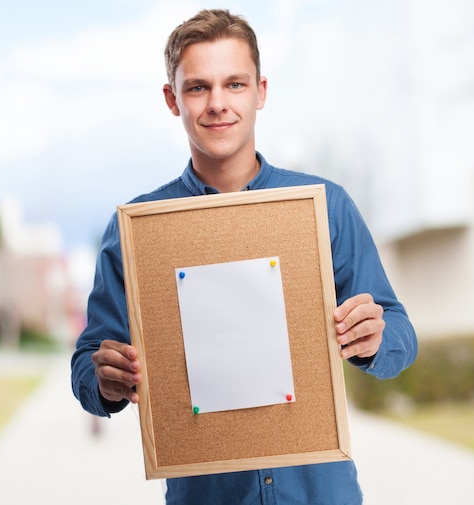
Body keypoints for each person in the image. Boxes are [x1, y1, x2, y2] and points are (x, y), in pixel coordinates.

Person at [71, 8, 417, 505]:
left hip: (321, 494)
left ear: (261, 91)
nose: (217, 104)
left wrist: (373, 338)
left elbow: (401, 333)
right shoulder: (138, 229)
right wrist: (103, 381)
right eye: (197, 87)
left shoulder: (325, 206)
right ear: (172, 99)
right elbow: (87, 365)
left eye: (235, 84)